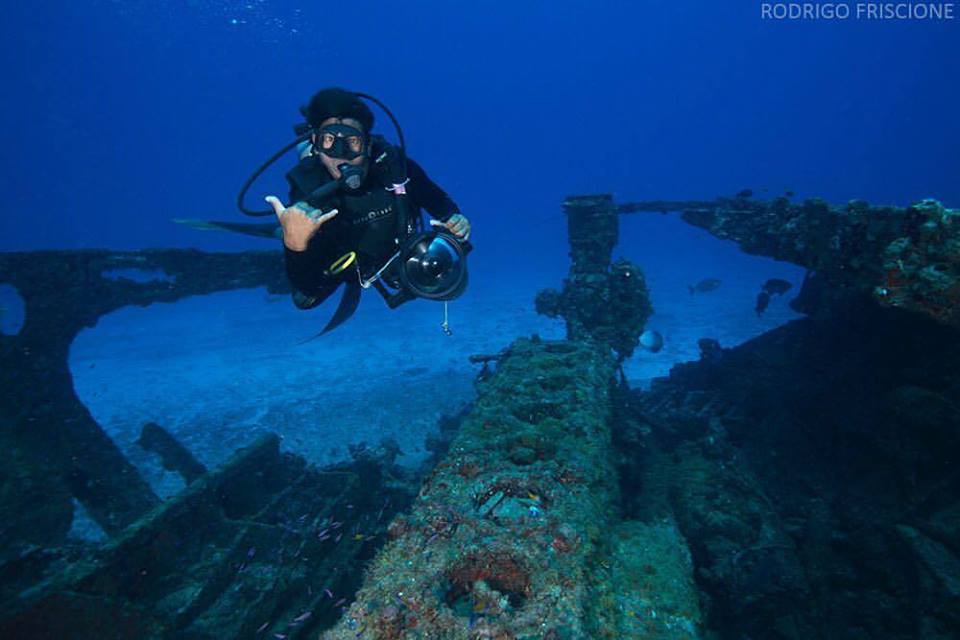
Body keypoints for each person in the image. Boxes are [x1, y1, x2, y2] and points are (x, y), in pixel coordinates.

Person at [264, 87, 471, 311]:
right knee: (302, 297)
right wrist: (295, 244)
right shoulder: (309, 186)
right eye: (329, 140)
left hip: (390, 256)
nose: (341, 153)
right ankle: (257, 260)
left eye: (352, 141)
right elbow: (308, 288)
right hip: (338, 264)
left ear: (368, 144)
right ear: (316, 142)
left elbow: (439, 202)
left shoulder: (395, 167)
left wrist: (455, 220)